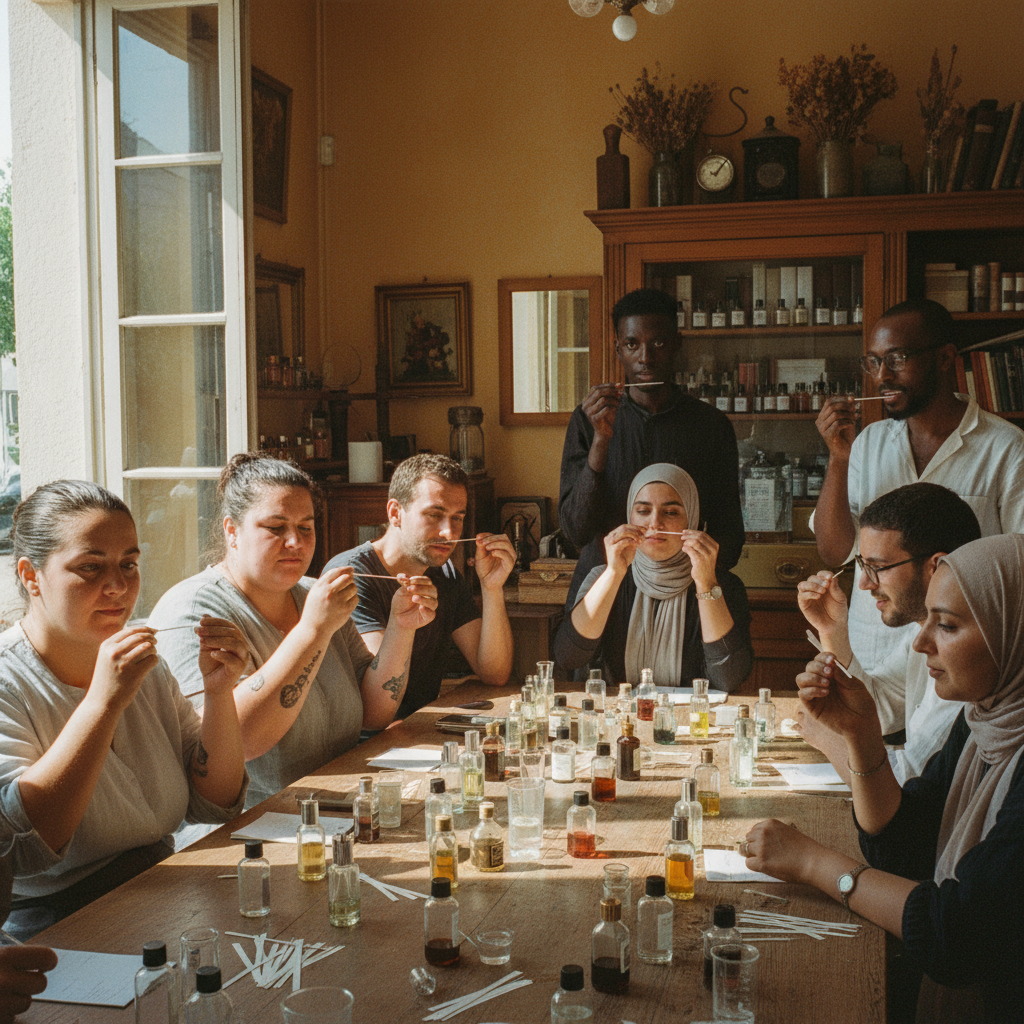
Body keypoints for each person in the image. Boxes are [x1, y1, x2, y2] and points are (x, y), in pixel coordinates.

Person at [741, 533, 1024, 1024]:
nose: (921, 641)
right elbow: (906, 846)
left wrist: (811, 862)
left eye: (948, 625)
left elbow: (953, 934)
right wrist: (862, 734)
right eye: (928, 618)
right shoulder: (986, 720)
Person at [0, 481, 248, 939]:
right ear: (31, 576)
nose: (117, 586)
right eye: (90, 568)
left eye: (129, 565)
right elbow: (27, 846)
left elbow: (215, 800)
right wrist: (103, 701)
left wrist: (219, 693)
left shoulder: (141, 665)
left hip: (161, 888)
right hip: (55, 924)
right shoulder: (9, 681)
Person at [150, 454, 438, 807]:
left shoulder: (312, 593)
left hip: (335, 813)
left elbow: (373, 713)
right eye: (276, 527)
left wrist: (401, 626)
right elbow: (239, 741)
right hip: (245, 833)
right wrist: (312, 630)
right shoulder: (194, 610)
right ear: (232, 531)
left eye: (306, 527)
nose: (295, 542)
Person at [811, 297, 1024, 679]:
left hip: (957, 668)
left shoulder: (1006, 448)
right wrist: (839, 458)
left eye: (897, 359)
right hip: (872, 654)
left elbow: (1017, 569)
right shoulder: (869, 442)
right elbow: (834, 551)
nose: (882, 377)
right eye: (874, 362)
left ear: (945, 358)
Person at [558, 287, 745, 616]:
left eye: (657, 343)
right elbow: (576, 531)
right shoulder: (588, 420)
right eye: (632, 344)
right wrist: (602, 440)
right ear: (618, 349)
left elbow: (729, 534)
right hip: (605, 594)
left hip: (686, 599)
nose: (645, 357)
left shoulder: (711, 425)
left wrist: (693, 578)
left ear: (676, 344)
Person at [797, 483, 980, 781]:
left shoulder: (969, 655)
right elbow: (879, 711)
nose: (865, 584)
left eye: (877, 567)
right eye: (861, 566)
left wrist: (830, 741)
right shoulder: (923, 630)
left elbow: (908, 785)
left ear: (935, 567)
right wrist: (832, 631)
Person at [322, 454, 514, 720]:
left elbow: (494, 673)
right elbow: (378, 708)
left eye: (457, 518)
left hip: (418, 730)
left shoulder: (445, 575)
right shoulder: (353, 576)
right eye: (435, 515)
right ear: (395, 513)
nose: (449, 532)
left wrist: (492, 588)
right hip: (364, 743)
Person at [554, 464, 752, 690]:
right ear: (629, 516)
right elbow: (568, 658)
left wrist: (706, 582)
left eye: (671, 512)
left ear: (692, 520)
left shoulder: (724, 586)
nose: (655, 523)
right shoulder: (602, 577)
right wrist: (613, 573)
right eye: (643, 511)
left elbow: (729, 677)